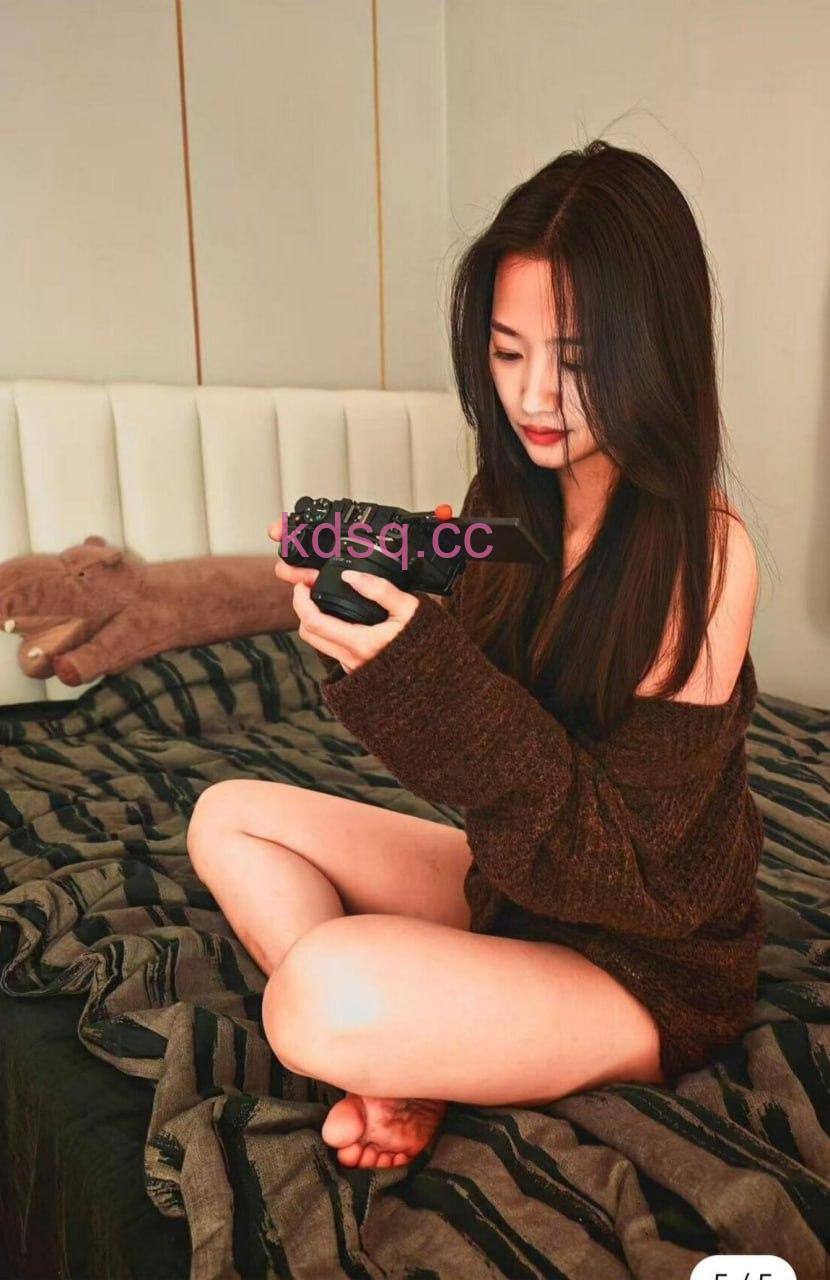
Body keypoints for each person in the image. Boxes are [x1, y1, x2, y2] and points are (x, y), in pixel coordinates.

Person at [186, 139, 766, 1172]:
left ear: (653, 351)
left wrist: (417, 669)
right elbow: (471, 719)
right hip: (520, 886)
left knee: (318, 991)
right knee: (227, 815)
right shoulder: (516, 502)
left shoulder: (703, 555)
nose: (534, 398)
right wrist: (378, 607)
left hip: (643, 961)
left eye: (576, 361)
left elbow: (631, 873)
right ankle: (410, 1060)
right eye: (506, 352)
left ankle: (412, 1041)